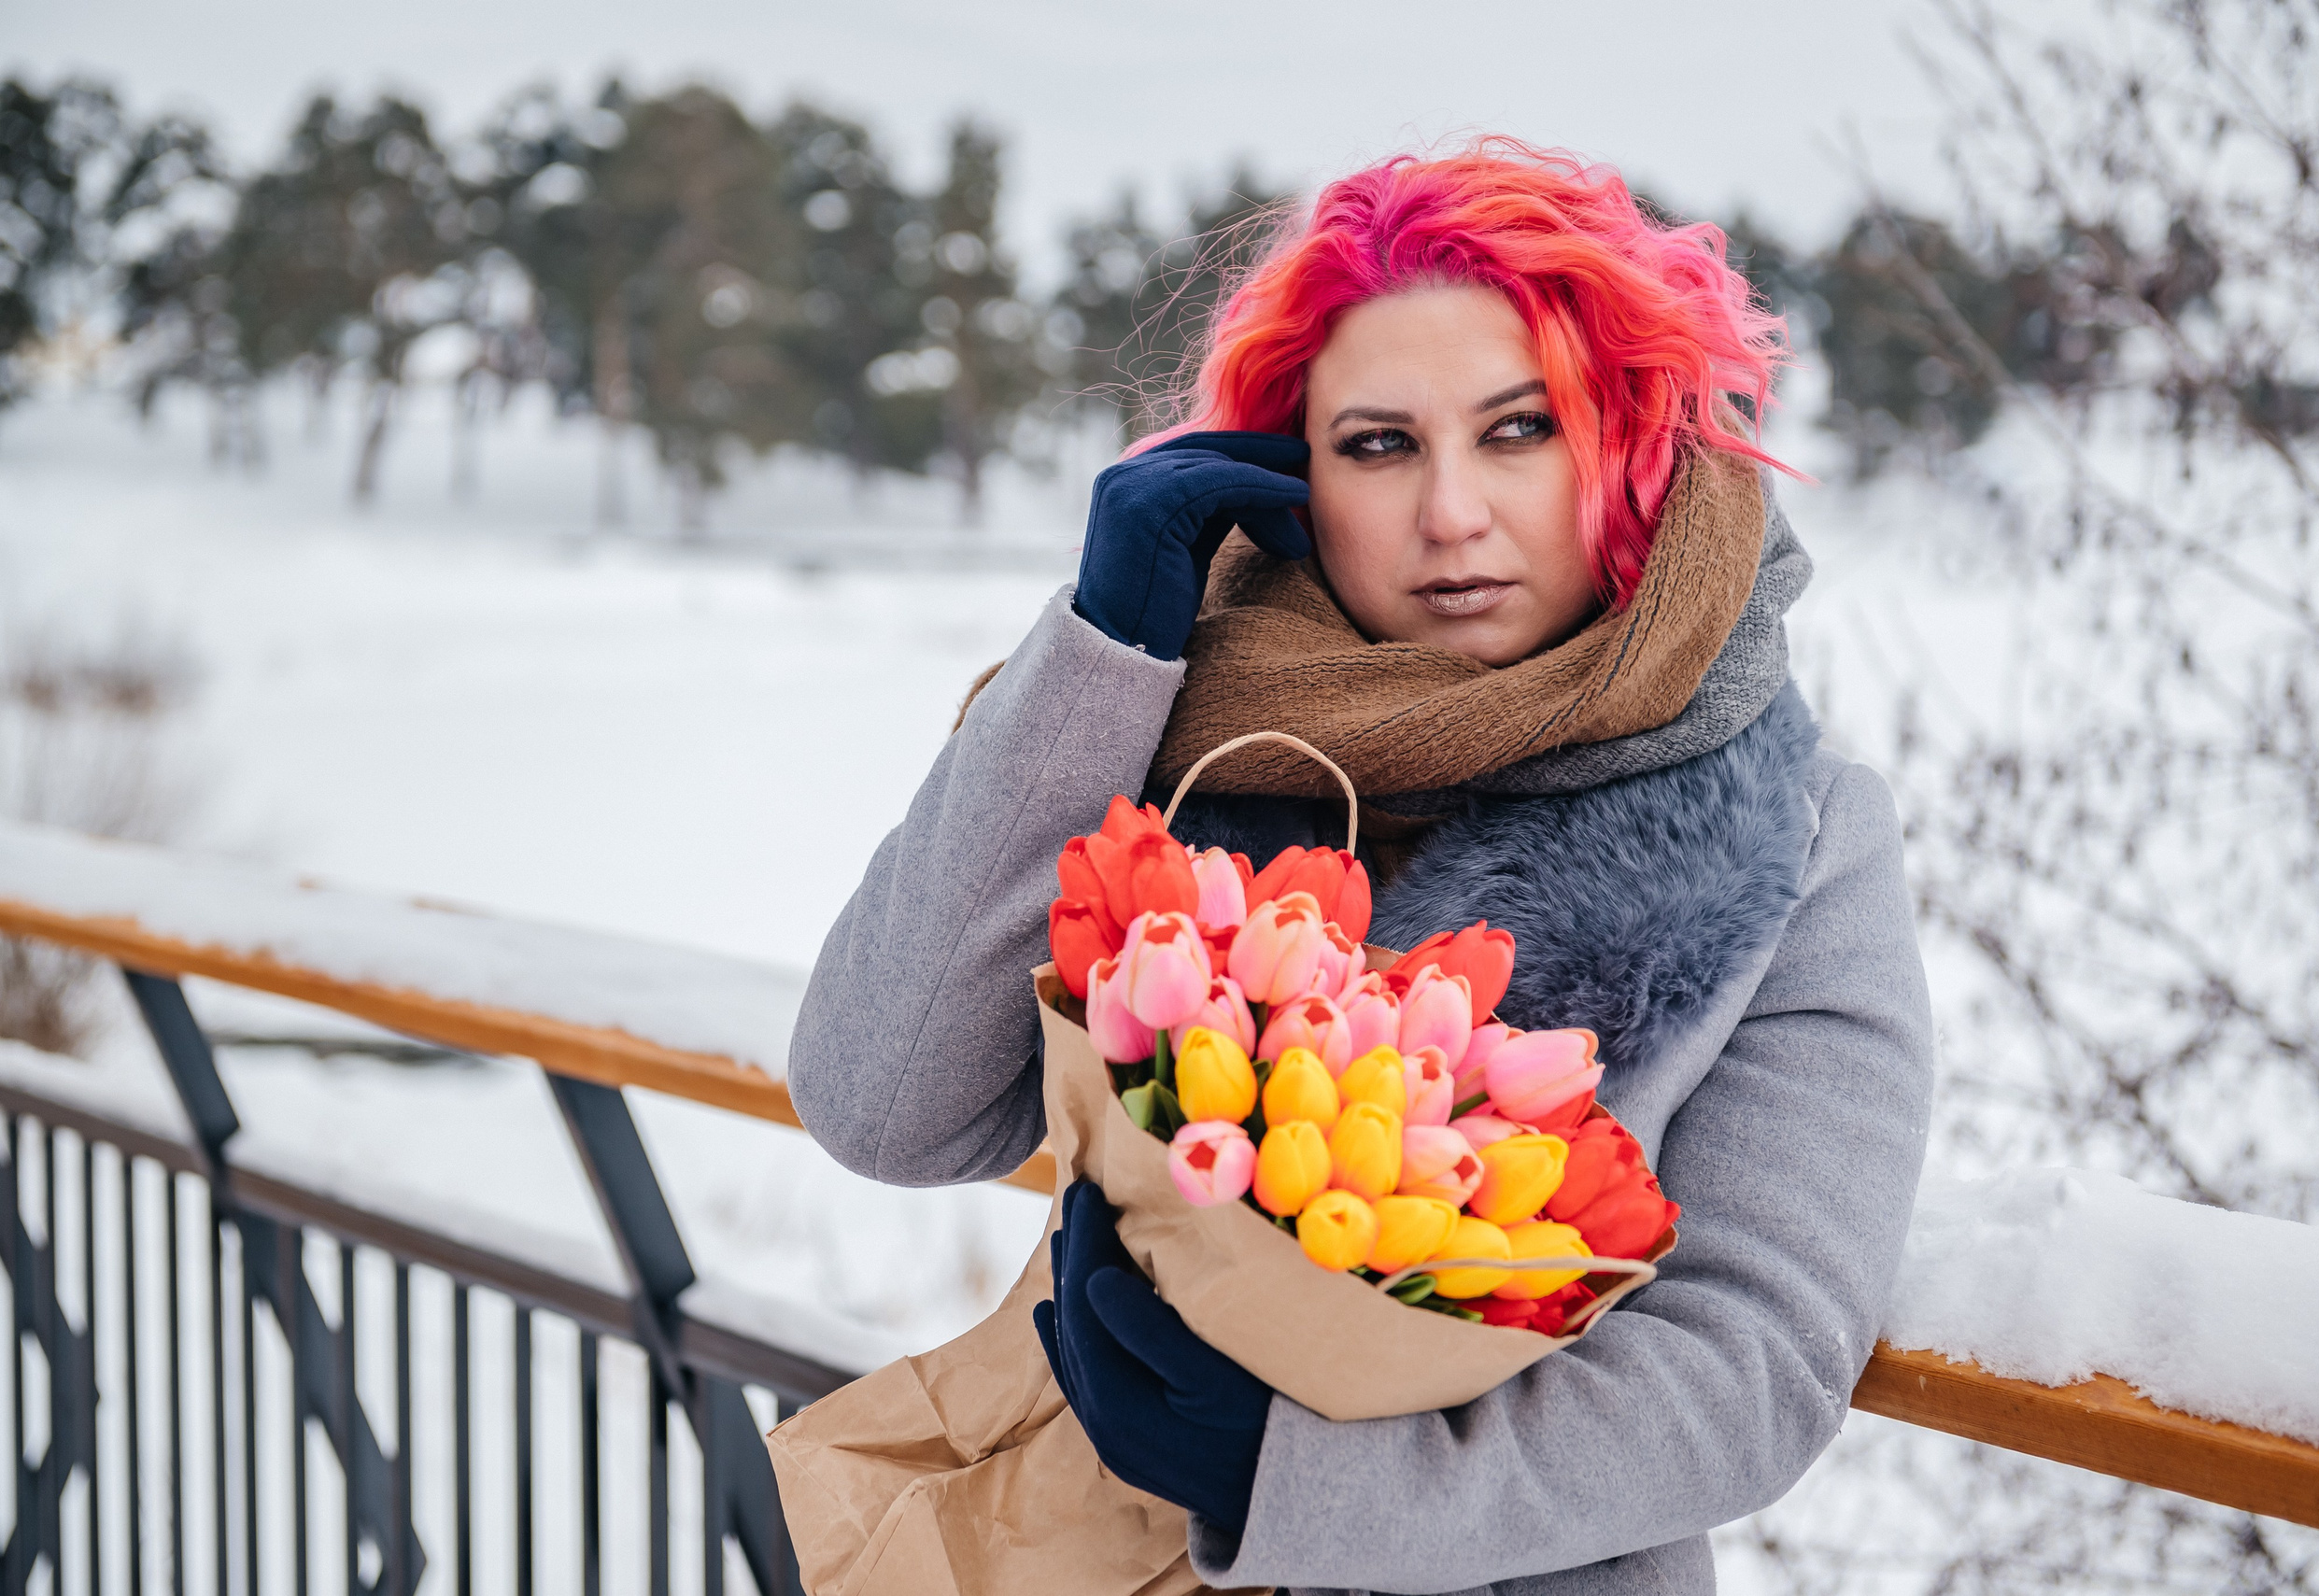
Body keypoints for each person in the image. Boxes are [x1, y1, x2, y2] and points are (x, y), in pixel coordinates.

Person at [787, 141, 1933, 1596]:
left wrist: (1287, 1472)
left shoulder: (1806, 836)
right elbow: (880, 1100)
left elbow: (1753, 1366)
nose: (1451, 513)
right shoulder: (1194, 743)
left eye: (1521, 430)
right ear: (1295, 472)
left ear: (1631, 445)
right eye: (1379, 445)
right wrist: (1101, 652)